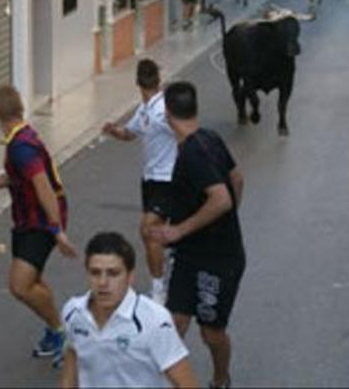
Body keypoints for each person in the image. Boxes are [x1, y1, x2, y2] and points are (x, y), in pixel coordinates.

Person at [0, 85, 77, 366]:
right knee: (33, 281)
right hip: (27, 221)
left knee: (20, 286)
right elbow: (15, 178)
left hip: (40, 223)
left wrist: (57, 230)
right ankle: (55, 330)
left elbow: (43, 187)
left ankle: (62, 333)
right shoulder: (21, 137)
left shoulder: (21, 147)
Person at [149, 82, 245, 389]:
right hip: (189, 255)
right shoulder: (208, 138)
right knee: (174, 323)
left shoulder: (194, 152)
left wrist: (178, 230)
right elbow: (237, 179)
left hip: (219, 259)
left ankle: (221, 379)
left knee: (211, 333)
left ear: (167, 114)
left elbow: (222, 199)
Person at [59, 232, 198, 389]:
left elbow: (186, 383)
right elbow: (73, 353)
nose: (103, 282)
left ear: (130, 276)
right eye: (95, 273)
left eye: (113, 273)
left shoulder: (154, 321)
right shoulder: (73, 312)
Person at [101, 59, 177, 304]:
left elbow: (181, 130)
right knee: (156, 233)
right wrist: (113, 130)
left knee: (148, 230)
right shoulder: (144, 110)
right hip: (150, 180)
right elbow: (129, 133)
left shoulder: (163, 109)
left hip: (168, 179)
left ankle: (158, 291)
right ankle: (171, 259)